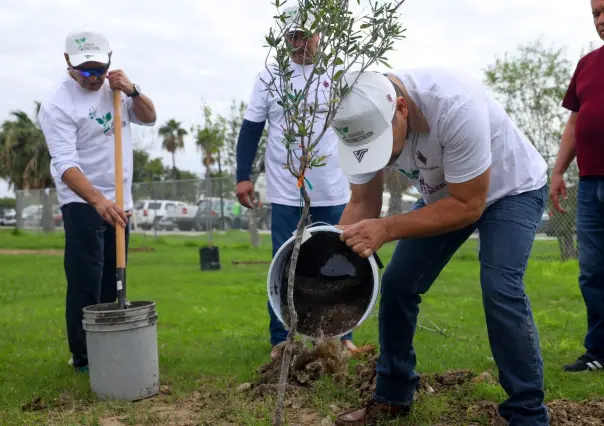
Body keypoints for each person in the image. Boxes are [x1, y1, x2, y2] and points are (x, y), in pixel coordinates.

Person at [329, 69, 550, 425]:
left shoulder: (454, 106)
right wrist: (331, 260)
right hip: (445, 193)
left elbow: (468, 206)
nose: (381, 159)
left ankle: (527, 414)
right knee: (399, 284)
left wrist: (386, 229)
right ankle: (393, 397)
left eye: (384, 146)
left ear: (401, 108)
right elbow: (362, 204)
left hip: (511, 191)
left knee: (500, 287)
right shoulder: (359, 119)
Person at [235, 4, 362, 359]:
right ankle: (283, 338)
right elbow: (251, 129)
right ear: (284, 38)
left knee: (339, 260)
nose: (300, 43)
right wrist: (242, 176)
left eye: (307, 36)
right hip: (286, 190)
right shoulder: (270, 78)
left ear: (320, 36)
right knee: (285, 262)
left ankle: (342, 333)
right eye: (293, 36)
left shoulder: (337, 73)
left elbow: (357, 126)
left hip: (333, 188)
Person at [38, 27, 157, 373]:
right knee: (86, 279)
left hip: (121, 200)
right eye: (85, 70)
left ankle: (110, 346)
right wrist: (96, 201)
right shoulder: (58, 105)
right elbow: (65, 165)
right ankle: (84, 358)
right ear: (67, 63)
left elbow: (149, 117)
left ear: (110, 62)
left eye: (99, 69)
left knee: (113, 279)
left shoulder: (116, 90)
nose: (93, 77)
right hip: (82, 201)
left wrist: (133, 91)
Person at [550, 0, 604, 373]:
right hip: (589, 183)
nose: (600, 21)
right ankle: (599, 352)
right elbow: (574, 122)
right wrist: (557, 171)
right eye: (595, 14)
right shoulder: (587, 65)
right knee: (592, 271)